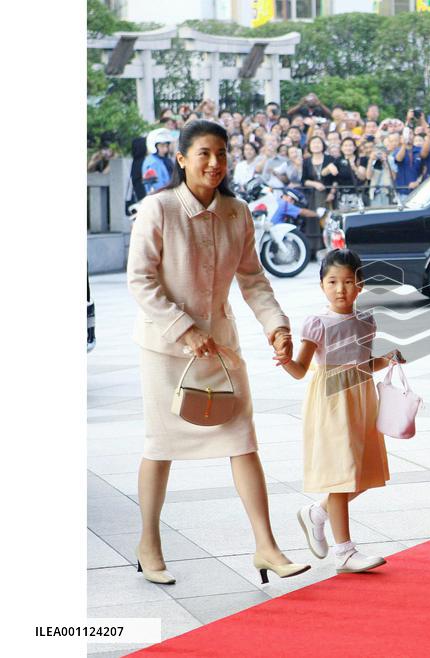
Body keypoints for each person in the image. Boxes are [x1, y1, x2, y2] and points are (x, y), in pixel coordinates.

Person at [127, 120, 310, 587]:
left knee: (243, 441)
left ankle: (266, 547)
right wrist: (184, 330)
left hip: (221, 350)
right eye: (204, 153)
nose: (215, 163)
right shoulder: (158, 209)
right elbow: (141, 282)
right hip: (167, 352)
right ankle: (148, 543)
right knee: (161, 446)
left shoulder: (237, 212)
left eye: (222, 154)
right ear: (182, 158)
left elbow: (252, 280)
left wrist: (277, 327)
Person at [277, 249, 403, 573]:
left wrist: (386, 359)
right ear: (321, 285)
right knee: (342, 475)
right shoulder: (318, 323)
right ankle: (344, 552)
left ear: (360, 285)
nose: (340, 289)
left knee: (362, 472)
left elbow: (363, 363)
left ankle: (317, 513)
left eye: (348, 282)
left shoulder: (366, 321)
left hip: (360, 401)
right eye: (332, 282)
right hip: (331, 403)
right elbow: (301, 369)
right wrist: (287, 361)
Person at [141, 129, 175, 195]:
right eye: (162, 146)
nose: (165, 149)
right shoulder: (153, 162)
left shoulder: (160, 160)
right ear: (153, 146)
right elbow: (158, 187)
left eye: (166, 146)